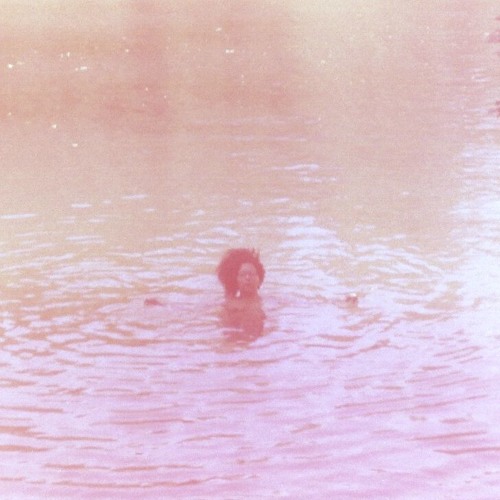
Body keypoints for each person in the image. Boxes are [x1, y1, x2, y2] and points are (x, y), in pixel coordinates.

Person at [216, 248, 266, 337]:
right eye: (242, 274)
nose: (247, 278)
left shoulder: (268, 303)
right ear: (235, 280)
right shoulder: (230, 305)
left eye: (251, 274)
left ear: (259, 278)